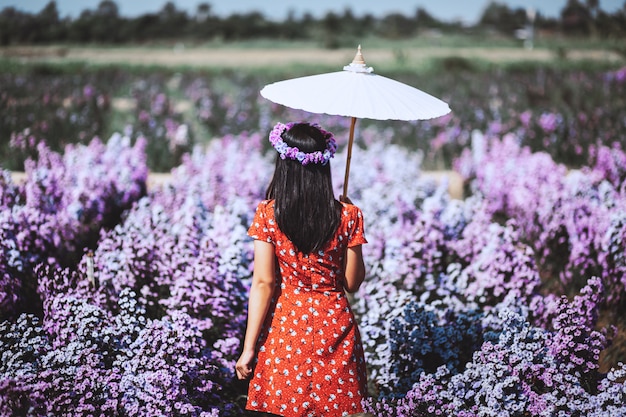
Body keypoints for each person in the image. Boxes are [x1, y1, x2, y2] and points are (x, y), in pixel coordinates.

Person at [235, 121, 369, 417]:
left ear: (285, 166)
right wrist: (352, 229)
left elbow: (263, 284)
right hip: (335, 326)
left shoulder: (268, 214)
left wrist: (248, 348)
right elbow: (352, 282)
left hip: (286, 328)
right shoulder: (348, 215)